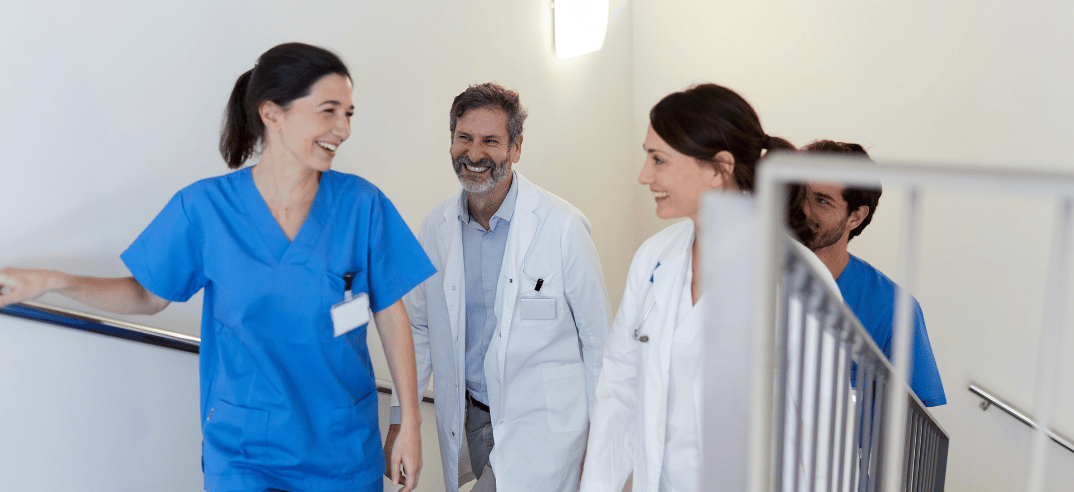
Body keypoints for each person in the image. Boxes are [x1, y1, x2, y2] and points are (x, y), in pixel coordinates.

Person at [0, 43, 434, 492]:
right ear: (272, 113)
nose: (343, 129)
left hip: (341, 449)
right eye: (329, 111)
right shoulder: (205, 209)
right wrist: (53, 282)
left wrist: (410, 425)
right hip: (244, 451)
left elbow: (390, 312)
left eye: (349, 113)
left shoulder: (362, 205)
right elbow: (147, 296)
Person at [385, 82, 609, 492]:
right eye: (464, 138)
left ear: (516, 148)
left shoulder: (562, 226)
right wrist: (401, 419)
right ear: (451, 141)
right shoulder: (435, 228)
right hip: (472, 417)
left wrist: (603, 444)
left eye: (491, 141)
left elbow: (598, 343)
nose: (474, 154)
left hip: (545, 425)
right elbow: (417, 328)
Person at [580, 83, 795, 492]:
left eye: (658, 160)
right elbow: (619, 387)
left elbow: (813, 433)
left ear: (719, 168)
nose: (645, 176)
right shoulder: (653, 259)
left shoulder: (793, 281)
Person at [790, 139, 946, 407]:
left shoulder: (894, 310)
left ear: (855, 217)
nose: (803, 209)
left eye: (822, 201)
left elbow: (918, 428)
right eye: (798, 195)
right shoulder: (751, 280)